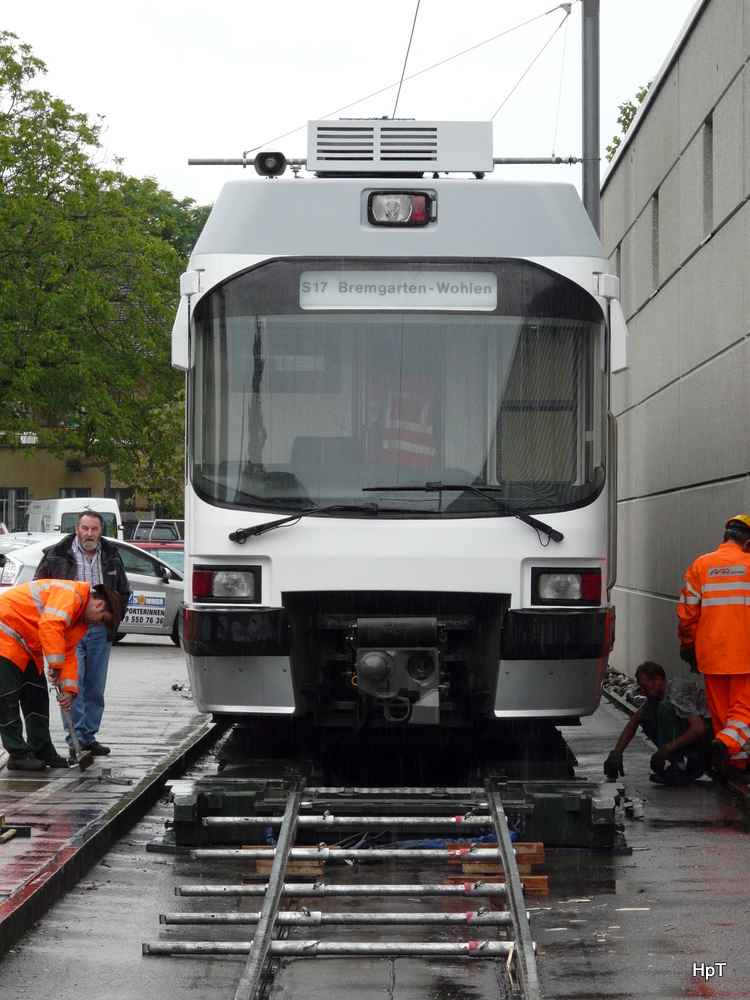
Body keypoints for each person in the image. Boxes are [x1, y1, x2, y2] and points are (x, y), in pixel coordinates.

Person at [34, 509, 130, 759]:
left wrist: (111, 622)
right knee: (73, 682)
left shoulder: (111, 555)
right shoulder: (57, 554)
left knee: (95, 686)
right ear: (76, 528)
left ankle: (89, 736)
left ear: (101, 531)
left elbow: (123, 593)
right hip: (69, 628)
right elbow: (40, 584)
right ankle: (75, 738)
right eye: (85, 528)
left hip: (99, 629)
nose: (90, 533)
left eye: (95, 529)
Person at [0, 580, 118, 770]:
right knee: (7, 699)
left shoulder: (79, 619)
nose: (98, 624)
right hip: (5, 633)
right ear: (99, 604)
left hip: (26, 642)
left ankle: (42, 750)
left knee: (37, 697)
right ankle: (18, 755)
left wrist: (70, 690)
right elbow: (50, 625)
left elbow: (69, 650)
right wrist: (55, 665)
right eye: (102, 618)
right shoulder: (72, 596)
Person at [677, 515, 750, 778]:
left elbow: (687, 613)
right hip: (744, 655)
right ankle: (727, 745)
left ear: (725, 538)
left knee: (722, 714)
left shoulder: (701, 566)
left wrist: (687, 645)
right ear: (748, 543)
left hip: (711, 654)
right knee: (744, 710)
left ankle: (733, 767)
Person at [603, 661, 713, 785]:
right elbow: (633, 722)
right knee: (647, 721)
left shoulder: (677, 693)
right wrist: (617, 753)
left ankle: (679, 767)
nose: (642, 691)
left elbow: (700, 727)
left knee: (665, 708)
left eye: (645, 686)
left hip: (708, 742)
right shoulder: (654, 698)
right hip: (696, 740)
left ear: (658, 680)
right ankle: (677, 764)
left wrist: (667, 748)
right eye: (640, 687)